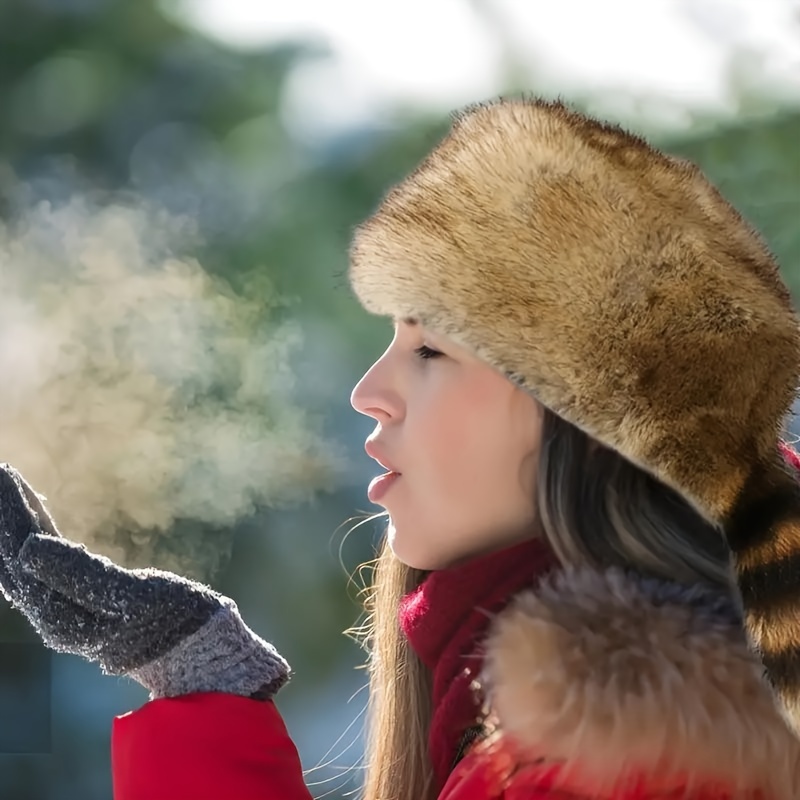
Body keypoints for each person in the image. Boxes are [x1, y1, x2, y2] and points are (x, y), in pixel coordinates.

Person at [2, 95, 800, 800]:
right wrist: (197, 680)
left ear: (593, 423)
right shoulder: (612, 719)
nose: (367, 391)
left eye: (430, 351)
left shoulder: (630, 758)